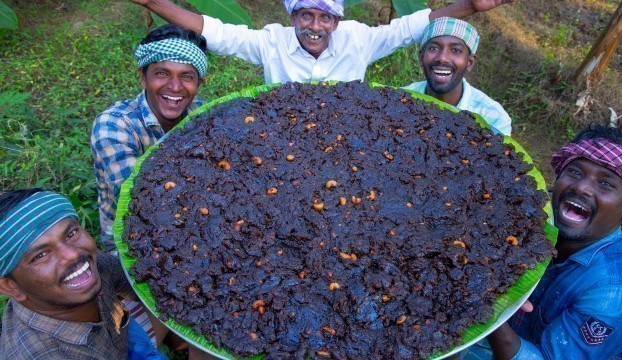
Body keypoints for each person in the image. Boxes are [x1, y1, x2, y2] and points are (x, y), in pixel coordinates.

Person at [485, 124, 622, 359]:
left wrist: (487, 309)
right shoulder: (531, 228)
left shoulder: (618, 290)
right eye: (575, 173)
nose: (581, 187)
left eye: (605, 184)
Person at [129, 0, 515, 84]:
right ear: (292, 18)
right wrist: (153, 3)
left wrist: (470, 6)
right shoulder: (271, 42)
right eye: (306, 16)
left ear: (336, 20)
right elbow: (213, 29)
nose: (315, 26)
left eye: (325, 17)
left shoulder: (358, 39)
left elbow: (411, 27)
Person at [0, 189, 165, 359]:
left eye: (70, 234)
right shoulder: (40, 355)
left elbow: (137, 283)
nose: (72, 255)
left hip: (121, 336)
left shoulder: (89, 268)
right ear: (9, 285)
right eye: (40, 255)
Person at [91, 23, 207, 252]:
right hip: (131, 237)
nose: (175, 87)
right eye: (162, 74)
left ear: (198, 84)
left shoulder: (201, 114)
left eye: (187, 76)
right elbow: (143, 199)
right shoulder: (113, 125)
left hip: (194, 224)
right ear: (143, 78)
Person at [403, 17, 512, 136]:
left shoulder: (493, 118)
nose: (442, 58)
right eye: (434, 48)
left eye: (455, 50)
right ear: (421, 58)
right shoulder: (401, 99)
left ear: (469, 62)